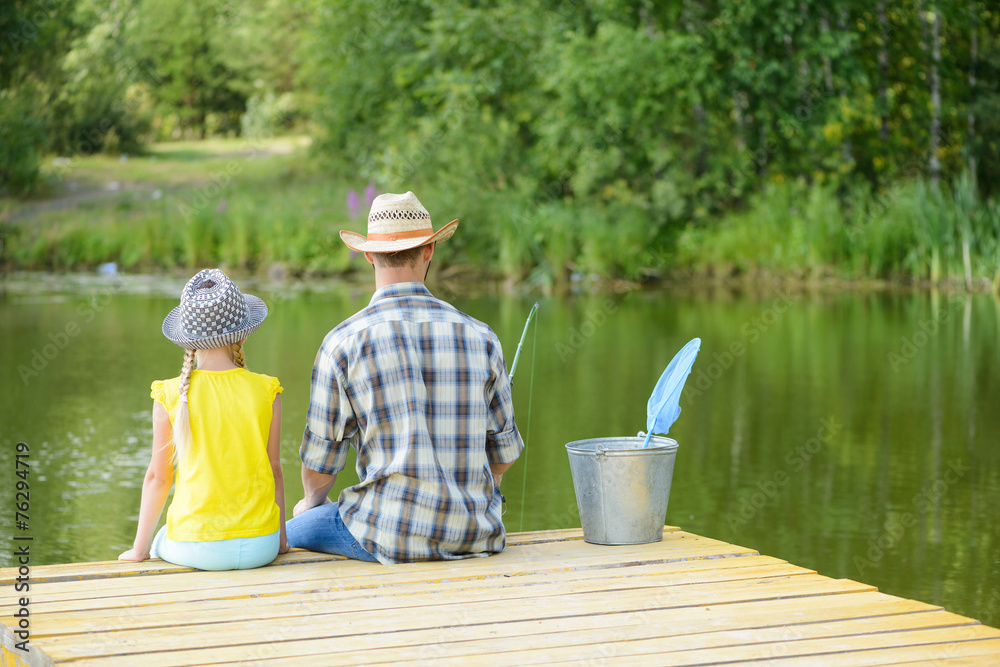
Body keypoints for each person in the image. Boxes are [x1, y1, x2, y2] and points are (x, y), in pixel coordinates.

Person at [287, 191, 523, 564]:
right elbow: (504, 454)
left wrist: (311, 504)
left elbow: (320, 464)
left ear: (367, 254)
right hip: (476, 535)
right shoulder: (482, 337)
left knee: (280, 535)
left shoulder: (343, 343)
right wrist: (473, 497)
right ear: (428, 251)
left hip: (383, 536)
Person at [119, 269, 287, 570]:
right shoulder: (267, 390)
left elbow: (159, 479)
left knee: (158, 540)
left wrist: (138, 551)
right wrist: (280, 543)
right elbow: (274, 469)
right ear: (244, 332)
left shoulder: (170, 394)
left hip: (196, 547)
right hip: (262, 546)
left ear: (186, 340)